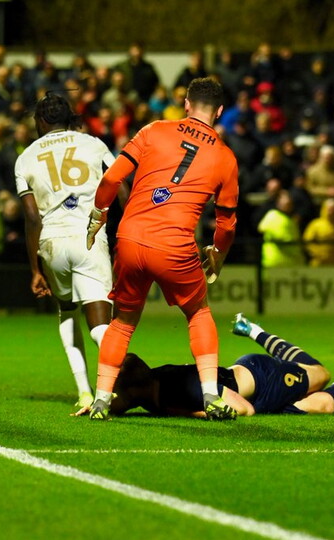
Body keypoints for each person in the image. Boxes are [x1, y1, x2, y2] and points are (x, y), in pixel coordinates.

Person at [84, 78, 239, 421]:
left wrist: (98, 215)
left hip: (130, 238)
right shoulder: (226, 157)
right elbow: (227, 224)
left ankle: (101, 400)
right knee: (198, 313)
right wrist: (218, 255)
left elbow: (111, 179)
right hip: (174, 245)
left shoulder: (153, 130)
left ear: (186, 104)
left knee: (123, 322)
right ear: (219, 112)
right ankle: (211, 396)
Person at [103, 313, 334, 417]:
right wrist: (97, 403)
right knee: (324, 405)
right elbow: (120, 400)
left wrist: (199, 412)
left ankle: (252, 330)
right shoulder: (146, 392)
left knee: (321, 374)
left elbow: (242, 409)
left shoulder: (181, 388)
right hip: (261, 395)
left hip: (263, 377)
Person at [14, 93, 116, 411]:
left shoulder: (25, 158)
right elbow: (120, 186)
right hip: (90, 238)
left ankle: (84, 392)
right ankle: (122, 382)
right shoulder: (94, 145)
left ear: (41, 120)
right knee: (101, 325)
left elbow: (32, 218)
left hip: (53, 242)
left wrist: (35, 269)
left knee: (67, 310)